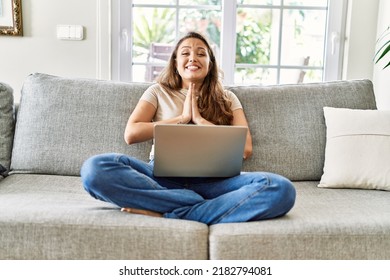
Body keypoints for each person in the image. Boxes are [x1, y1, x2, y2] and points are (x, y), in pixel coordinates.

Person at [81, 31, 296, 225]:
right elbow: (132, 133)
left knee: (280, 188)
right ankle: (197, 204)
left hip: (216, 182)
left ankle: (171, 212)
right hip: (160, 179)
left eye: (201, 53)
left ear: (210, 64)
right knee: (95, 168)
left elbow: (246, 149)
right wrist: (182, 119)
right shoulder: (158, 92)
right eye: (185, 53)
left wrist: (201, 121)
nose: (193, 57)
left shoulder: (228, 98)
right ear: (175, 62)